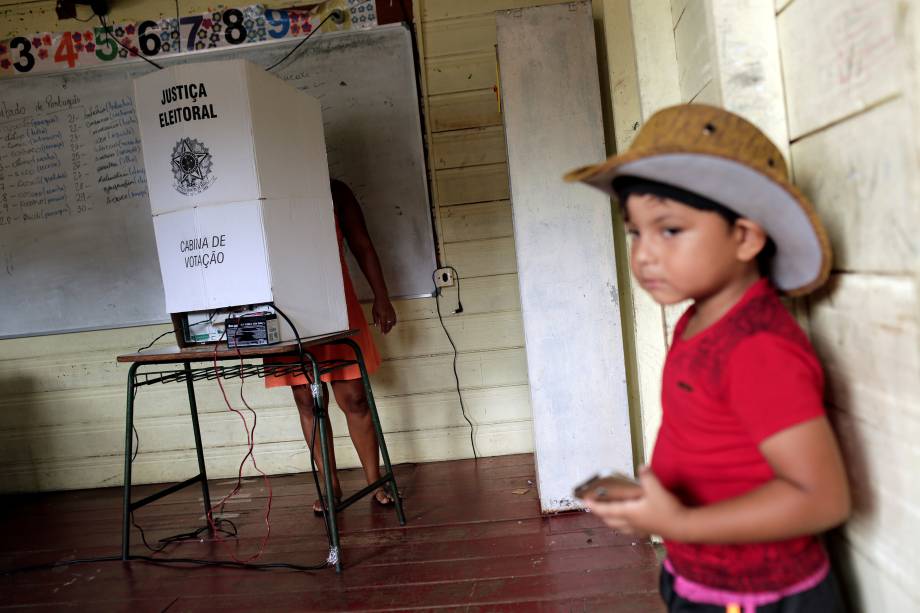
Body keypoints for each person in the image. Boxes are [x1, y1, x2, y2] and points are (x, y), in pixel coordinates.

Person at [565, 105, 850, 612]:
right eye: (636, 232)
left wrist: (680, 524)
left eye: (670, 230)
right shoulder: (699, 319)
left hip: (762, 597)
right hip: (700, 579)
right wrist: (650, 503)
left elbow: (822, 498)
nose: (645, 254)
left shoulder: (757, 348)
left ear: (744, 237)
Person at [266, 179, 397, 513]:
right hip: (287, 310)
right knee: (307, 401)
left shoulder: (335, 189)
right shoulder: (263, 189)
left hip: (335, 305)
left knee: (354, 398)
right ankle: (330, 488)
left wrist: (381, 297)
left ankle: (374, 481)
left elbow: (362, 245)